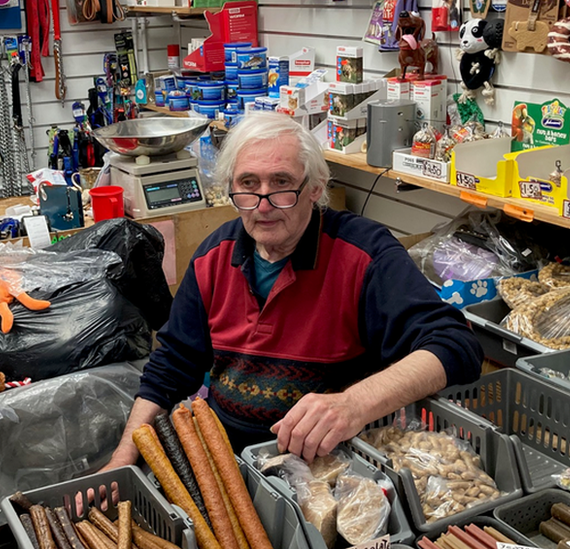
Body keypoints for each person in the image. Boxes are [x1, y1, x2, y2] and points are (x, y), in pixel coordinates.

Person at [103, 112, 482, 469]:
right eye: (248, 185)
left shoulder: (365, 255)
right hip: (228, 460)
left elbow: (455, 345)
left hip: (334, 464)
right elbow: (172, 364)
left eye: (281, 184)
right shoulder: (214, 256)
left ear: (315, 188)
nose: (263, 205)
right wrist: (123, 458)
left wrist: (352, 404)